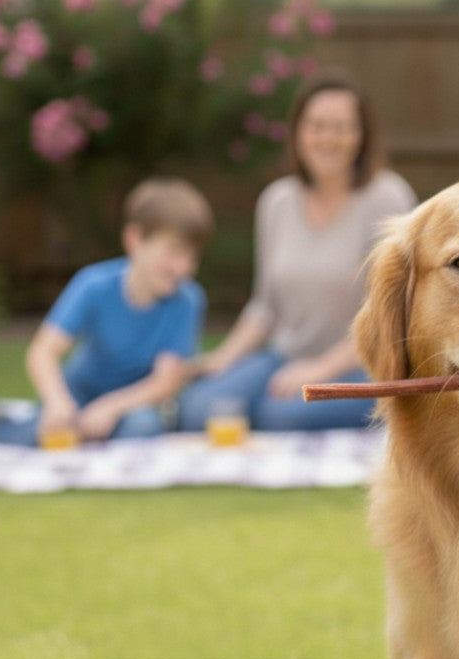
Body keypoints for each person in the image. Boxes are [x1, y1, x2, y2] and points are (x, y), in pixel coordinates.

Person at [177, 71, 416, 433]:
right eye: (317, 126)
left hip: (362, 364)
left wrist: (320, 370)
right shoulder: (277, 201)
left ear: (361, 136)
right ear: (298, 133)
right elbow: (265, 307)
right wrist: (223, 359)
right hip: (284, 356)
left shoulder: (388, 198)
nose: (328, 138)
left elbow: (392, 316)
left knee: (281, 415)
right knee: (199, 409)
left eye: (342, 127)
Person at [0, 177, 213, 446]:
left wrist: (110, 407)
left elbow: (166, 381)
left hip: (133, 405)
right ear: (135, 239)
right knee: (37, 435)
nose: (183, 267)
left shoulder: (188, 300)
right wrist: (58, 402)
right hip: (79, 392)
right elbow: (42, 352)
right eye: (173, 252)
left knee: (142, 428)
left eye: (192, 257)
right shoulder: (93, 284)